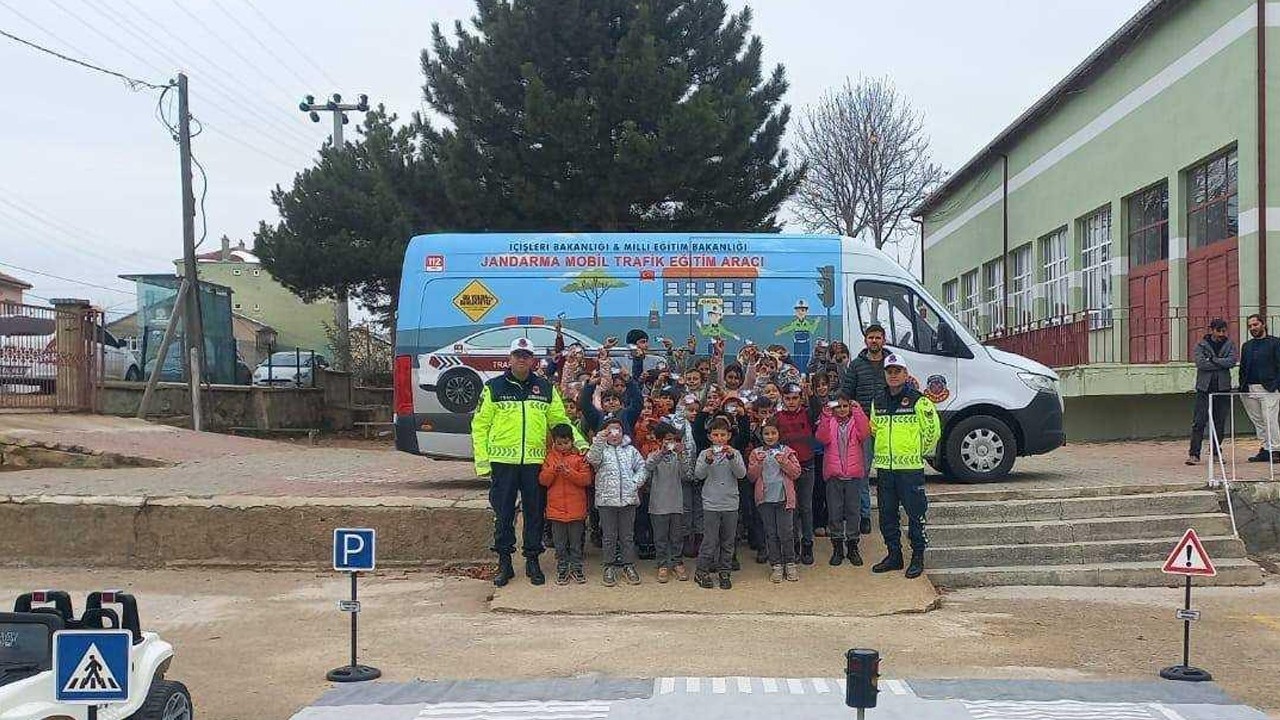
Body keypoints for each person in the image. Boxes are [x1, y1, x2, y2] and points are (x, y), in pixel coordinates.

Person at [472, 337, 571, 587]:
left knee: (534, 513)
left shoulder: (545, 388)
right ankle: (504, 562)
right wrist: (483, 462)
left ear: (532, 360)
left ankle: (532, 560)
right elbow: (480, 426)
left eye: (526, 356)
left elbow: (560, 423)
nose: (521, 359)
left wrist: (580, 445)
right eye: (517, 355)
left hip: (534, 463)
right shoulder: (493, 387)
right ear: (510, 358)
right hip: (502, 463)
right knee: (503, 514)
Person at [870, 354, 941, 579]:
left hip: (910, 470)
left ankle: (917, 557)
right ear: (885, 374)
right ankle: (894, 556)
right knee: (887, 515)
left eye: (897, 371)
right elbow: (874, 429)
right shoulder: (878, 401)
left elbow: (932, 431)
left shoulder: (919, 401)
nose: (893, 375)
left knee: (915, 514)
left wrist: (916, 451)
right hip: (885, 469)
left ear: (905, 374)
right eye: (889, 371)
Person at [586, 415, 647, 586]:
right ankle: (609, 566)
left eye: (618, 430)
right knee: (609, 536)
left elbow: (642, 468)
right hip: (607, 501)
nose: (615, 434)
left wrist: (634, 483)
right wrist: (599, 439)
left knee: (627, 536)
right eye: (611, 430)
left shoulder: (631, 450)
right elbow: (592, 459)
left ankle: (628, 565)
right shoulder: (600, 449)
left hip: (628, 500)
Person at [839, 324, 888, 533]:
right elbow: (846, 394)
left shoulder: (892, 362)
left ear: (884, 339)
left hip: (889, 426)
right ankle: (865, 515)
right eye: (871, 337)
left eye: (878, 337)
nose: (874, 341)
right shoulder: (857, 365)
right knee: (863, 473)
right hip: (864, 426)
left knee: (888, 473)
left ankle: (888, 513)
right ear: (866, 340)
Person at [815, 394, 871, 566]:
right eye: (838, 406)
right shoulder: (829, 421)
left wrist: (858, 411)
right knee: (835, 512)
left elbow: (865, 433)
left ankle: (853, 546)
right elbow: (822, 438)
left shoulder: (855, 421)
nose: (841, 409)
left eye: (845, 406)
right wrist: (825, 415)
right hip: (834, 476)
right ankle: (837, 547)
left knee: (853, 512)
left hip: (853, 475)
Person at [694, 418, 747, 590]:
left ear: (728, 436)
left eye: (723, 435)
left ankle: (725, 571)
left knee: (728, 541)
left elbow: (741, 474)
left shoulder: (735, 453)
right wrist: (708, 460)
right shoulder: (704, 454)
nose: (719, 438)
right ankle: (702, 571)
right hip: (711, 504)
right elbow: (699, 475)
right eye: (715, 435)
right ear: (710, 437)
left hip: (730, 503)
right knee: (709, 540)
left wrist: (731, 458)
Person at [747, 421, 802, 583]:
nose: (770, 437)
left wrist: (784, 462)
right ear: (761, 435)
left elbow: (796, 473)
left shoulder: (787, 451)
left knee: (786, 533)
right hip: (765, 501)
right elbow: (751, 476)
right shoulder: (756, 453)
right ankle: (776, 565)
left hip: (784, 500)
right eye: (766, 433)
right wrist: (758, 463)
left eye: (773, 433)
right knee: (771, 534)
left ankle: (790, 563)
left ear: (779, 434)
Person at [539, 424, 593, 585]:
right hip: (556, 511)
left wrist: (570, 473)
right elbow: (543, 480)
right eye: (559, 443)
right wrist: (553, 470)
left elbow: (586, 480)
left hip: (576, 510)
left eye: (566, 443)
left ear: (572, 441)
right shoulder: (549, 458)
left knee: (576, 543)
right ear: (554, 443)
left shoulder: (579, 458)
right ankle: (562, 568)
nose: (563, 446)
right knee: (560, 544)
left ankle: (577, 567)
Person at [775, 382, 817, 565]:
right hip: (787, 468)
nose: (791, 402)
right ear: (782, 399)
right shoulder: (777, 417)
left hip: (807, 465)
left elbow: (819, 411)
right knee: (791, 507)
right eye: (788, 398)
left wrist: (811, 395)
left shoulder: (807, 414)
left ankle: (807, 544)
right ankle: (793, 544)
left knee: (806, 507)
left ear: (800, 399)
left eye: (795, 398)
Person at [645, 422, 691, 583]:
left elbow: (686, 474)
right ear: (660, 440)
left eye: (673, 439)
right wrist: (661, 453)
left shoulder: (678, 457)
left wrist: (681, 455)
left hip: (676, 503)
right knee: (660, 538)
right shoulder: (653, 455)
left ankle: (677, 562)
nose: (671, 442)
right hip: (658, 505)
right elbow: (648, 467)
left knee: (677, 536)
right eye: (667, 439)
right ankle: (662, 564)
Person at [1187, 318, 1238, 465]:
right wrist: (1221, 363)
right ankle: (1194, 454)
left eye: (1223, 331)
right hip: (1204, 388)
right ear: (1212, 330)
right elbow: (1201, 364)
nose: (1221, 334)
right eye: (1218, 331)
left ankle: (1216, 452)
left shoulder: (1229, 344)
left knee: (1219, 422)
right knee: (1199, 422)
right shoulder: (1201, 344)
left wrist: (1213, 360)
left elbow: (1231, 362)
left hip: (1222, 388)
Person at [1239, 313, 1280, 463]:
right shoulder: (1247, 346)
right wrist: (1242, 386)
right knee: (1258, 421)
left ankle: (1275, 449)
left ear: (1263, 324)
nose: (1252, 328)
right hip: (1249, 388)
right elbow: (1243, 367)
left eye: (1255, 324)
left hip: (1269, 388)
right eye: (1250, 326)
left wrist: (1276, 385)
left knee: (1270, 419)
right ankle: (1265, 449)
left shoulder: (1275, 343)